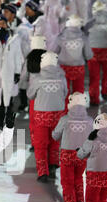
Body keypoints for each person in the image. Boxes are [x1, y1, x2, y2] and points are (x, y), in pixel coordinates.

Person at [27, 52, 68, 182]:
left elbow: (30, 95)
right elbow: (65, 93)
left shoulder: (37, 79)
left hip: (41, 115)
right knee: (54, 141)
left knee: (40, 144)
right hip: (57, 115)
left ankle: (42, 172)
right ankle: (53, 164)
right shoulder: (62, 78)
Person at [52, 92, 93, 202]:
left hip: (67, 154)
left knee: (67, 182)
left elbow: (55, 135)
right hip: (82, 154)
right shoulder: (90, 121)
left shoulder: (65, 119)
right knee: (78, 178)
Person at [54, 14, 93, 97]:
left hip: (63, 67)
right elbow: (88, 55)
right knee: (78, 89)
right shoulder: (83, 37)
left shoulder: (60, 37)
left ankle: (64, 108)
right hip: (78, 68)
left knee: (64, 90)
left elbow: (54, 52)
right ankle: (78, 107)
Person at [88, 0, 107, 106]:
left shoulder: (89, 21)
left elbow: (84, 34)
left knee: (94, 75)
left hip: (93, 50)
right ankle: (106, 92)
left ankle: (93, 98)